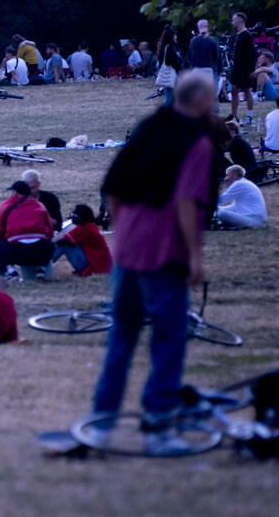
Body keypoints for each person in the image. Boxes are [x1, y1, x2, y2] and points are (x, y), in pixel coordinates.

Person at [89, 71, 217, 455]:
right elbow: (185, 202)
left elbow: (111, 186)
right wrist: (194, 257)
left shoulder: (147, 127)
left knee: (123, 335)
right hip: (164, 249)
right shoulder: (198, 140)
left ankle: (100, 423)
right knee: (168, 337)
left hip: (128, 245)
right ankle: (159, 428)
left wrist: (124, 230)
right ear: (203, 102)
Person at [0, 180, 55, 277]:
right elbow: (50, 229)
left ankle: (11, 271)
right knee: (49, 244)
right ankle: (41, 268)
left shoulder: (7, 204)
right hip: (41, 250)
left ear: (15, 193)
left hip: (16, 251)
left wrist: (3, 238)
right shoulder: (39, 205)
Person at [51, 204, 112, 276]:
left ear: (80, 216)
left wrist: (45, 239)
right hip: (100, 264)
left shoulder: (84, 229)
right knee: (67, 241)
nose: (72, 216)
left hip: (95, 267)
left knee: (64, 244)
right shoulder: (89, 226)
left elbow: (60, 239)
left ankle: (42, 263)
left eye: (75, 214)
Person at [230, 12, 256, 123]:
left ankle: (249, 116)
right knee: (233, 90)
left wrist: (251, 70)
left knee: (246, 91)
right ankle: (234, 116)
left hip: (244, 69)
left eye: (233, 20)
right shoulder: (238, 35)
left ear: (239, 20)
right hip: (236, 68)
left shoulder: (247, 35)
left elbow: (251, 54)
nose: (232, 22)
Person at [157, 25, 182, 106]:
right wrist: (179, 67)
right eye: (175, 35)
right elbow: (171, 61)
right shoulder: (169, 48)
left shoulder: (163, 47)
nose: (176, 36)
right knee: (180, 90)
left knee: (168, 94)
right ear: (171, 36)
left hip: (165, 74)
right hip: (170, 73)